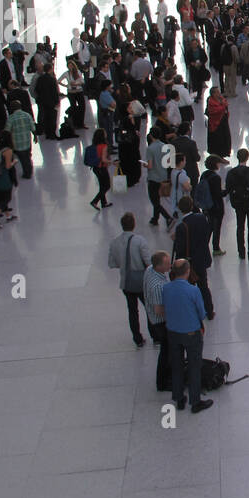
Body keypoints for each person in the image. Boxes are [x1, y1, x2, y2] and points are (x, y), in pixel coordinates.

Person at [161, 258, 212, 415]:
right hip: (191, 333)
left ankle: (178, 398)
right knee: (194, 366)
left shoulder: (166, 288)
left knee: (176, 365)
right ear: (188, 271)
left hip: (172, 332)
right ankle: (195, 401)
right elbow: (201, 312)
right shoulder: (193, 290)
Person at [107, 211, 150, 347]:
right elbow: (148, 261)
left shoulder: (114, 242)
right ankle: (156, 335)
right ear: (134, 224)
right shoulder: (139, 241)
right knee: (149, 308)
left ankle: (137, 338)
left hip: (126, 282)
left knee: (132, 310)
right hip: (141, 281)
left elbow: (112, 263)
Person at [172, 195, 215, 320]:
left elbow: (180, 248)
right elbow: (207, 234)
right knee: (204, 286)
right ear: (191, 206)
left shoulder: (181, 227)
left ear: (180, 209)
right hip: (202, 258)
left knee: (188, 289)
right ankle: (209, 311)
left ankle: (193, 312)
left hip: (189, 262)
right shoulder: (202, 218)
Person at [143, 250, 172, 391]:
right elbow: (159, 310)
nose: (170, 265)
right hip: (160, 322)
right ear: (159, 266)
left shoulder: (150, 269)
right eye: (167, 264)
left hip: (153, 318)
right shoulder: (157, 287)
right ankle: (162, 381)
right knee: (166, 350)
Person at [198, 155, 227, 256]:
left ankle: (203, 247)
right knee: (216, 228)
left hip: (206, 205)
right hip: (216, 206)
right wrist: (227, 191)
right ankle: (216, 248)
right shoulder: (216, 177)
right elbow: (218, 194)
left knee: (209, 227)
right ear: (216, 164)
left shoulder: (204, 174)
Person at [3, 99, 35, 180]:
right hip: (27, 140)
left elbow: (7, 130)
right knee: (27, 156)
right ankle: (29, 170)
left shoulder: (11, 118)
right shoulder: (27, 115)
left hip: (17, 143)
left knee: (22, 158)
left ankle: (27, 173)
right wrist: (35, 136)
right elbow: (33, 127)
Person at [87, 128, 112, 210]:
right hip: (102, 168)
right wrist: (111, 162)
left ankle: (104, 203)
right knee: (107, 185)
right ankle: (95, 201)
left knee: (102, 185)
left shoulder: (95, 145)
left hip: (95, 168)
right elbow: (104, 159)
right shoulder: (104, 146)